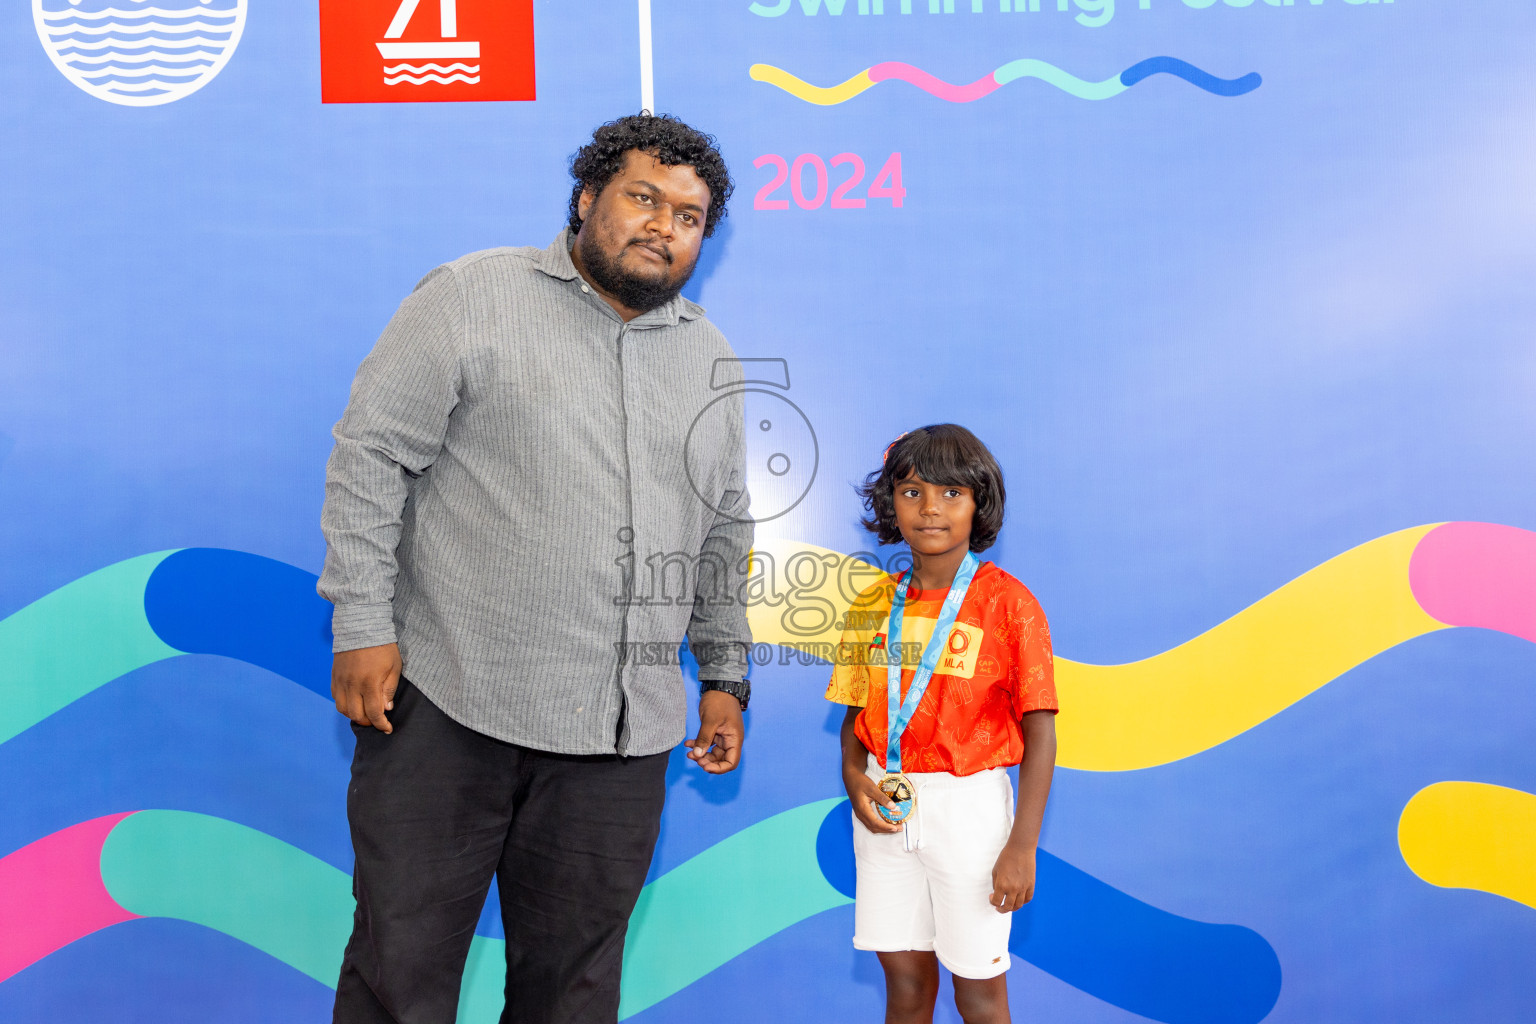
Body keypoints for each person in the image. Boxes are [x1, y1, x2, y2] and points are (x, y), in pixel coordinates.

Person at [318, 114, 754, 1024]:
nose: (662, 225)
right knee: (401, 975)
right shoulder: (470, 296)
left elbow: (722, 529)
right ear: (588, 196)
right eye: (643, 196)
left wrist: (725, 676)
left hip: (620, 740)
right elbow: (371, 456)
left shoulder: (711, 357)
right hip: (449, 705)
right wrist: (362, 622)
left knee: (575, 994)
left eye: (688, 215)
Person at [826, 424, 1058, 1024]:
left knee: (977, 987)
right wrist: (855, 780)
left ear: (980, 503)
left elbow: (1041, 732)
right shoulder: (873, 603)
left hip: (970, 812)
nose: (930, 508)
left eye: (952, 493)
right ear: (891, 506)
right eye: (911, 492)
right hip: (884, 803)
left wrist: (1022, 845)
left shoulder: (1010, 604)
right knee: (904, 982)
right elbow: (857, 718)